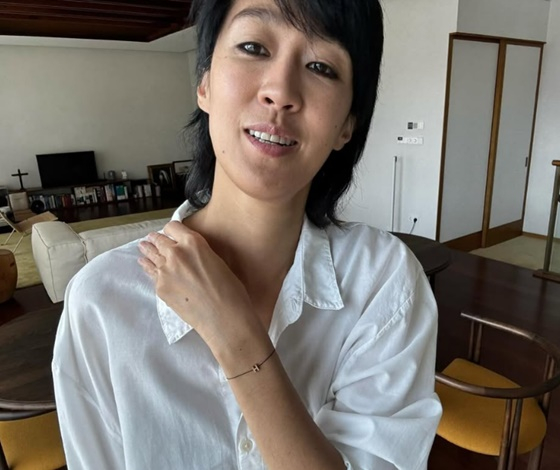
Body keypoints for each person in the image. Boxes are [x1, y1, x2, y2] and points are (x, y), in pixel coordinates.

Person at [52, 0, 442, 468]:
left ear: (347, 126)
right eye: (254, 47)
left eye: (321, 66)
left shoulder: (383, 281)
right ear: (204, 83)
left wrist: (235, 335)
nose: (280, 91)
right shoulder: (100, 303)